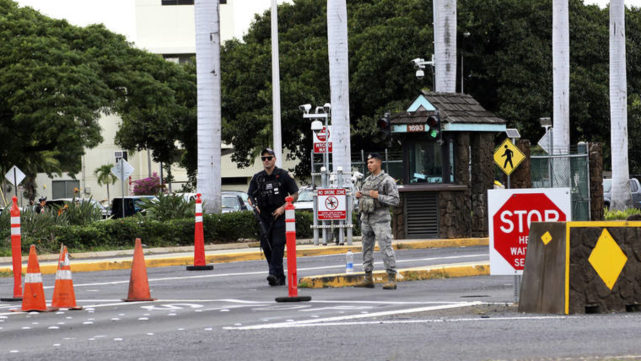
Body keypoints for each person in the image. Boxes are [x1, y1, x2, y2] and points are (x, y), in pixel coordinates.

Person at [247, 148, 299, 286]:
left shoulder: (283, 175)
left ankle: (273, 273)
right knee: (266, 246)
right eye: (263, 158)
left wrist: (283, 208)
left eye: (269, 158)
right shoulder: (258, 177)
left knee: (277, 245)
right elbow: (250, 196)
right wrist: (254, 205)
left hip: (279, 216)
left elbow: (295, 194)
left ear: (274, 159)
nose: (266, 161)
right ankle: (278, 276)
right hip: (264, 216)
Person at [354, 153, 400, 290]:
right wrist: (359, 196)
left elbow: (395, 200)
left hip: (380, 219)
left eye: (372, 162)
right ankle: (368, 277)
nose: (369, 165)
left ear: (379, 163)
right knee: (366, 248)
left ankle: (391, 278)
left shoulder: (387, 180)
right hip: (366, 218)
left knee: (385, 247)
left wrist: (378, 196)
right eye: (368, 162)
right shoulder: (367, 180)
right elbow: (365, 197)